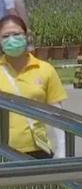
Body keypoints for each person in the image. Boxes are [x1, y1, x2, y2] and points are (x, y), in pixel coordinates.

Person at [0, 15, 67, 159]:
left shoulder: (45, 69)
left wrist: (62, 148)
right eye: (6, 36)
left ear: (26, 36)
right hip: (3, 152)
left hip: (38, 150)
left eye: (16, 34)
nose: (12, 39)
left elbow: (57, 113)